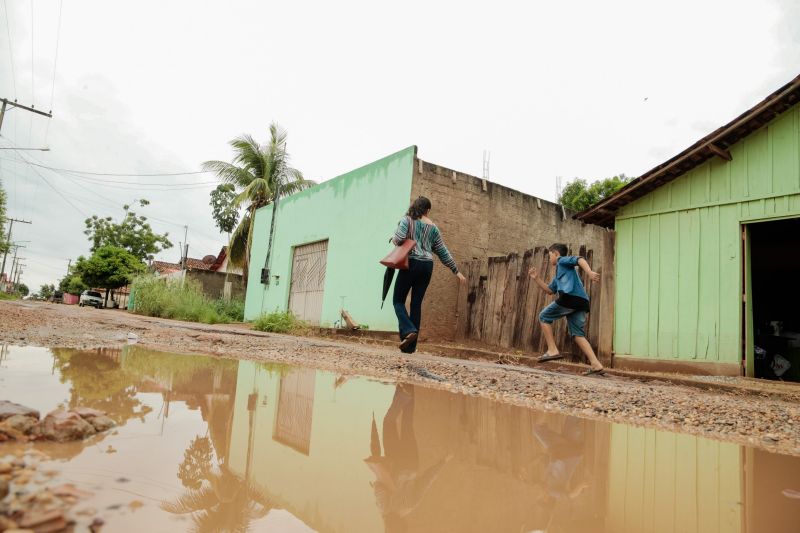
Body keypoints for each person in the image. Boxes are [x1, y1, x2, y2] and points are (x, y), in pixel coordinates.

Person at [391, 196, 465, 353]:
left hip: (410, 263)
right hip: (427, 266)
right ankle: (410, 347)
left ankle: (408, 330)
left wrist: (393, 239)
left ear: (415, 207)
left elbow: (398, 239)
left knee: (398, 300)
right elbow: (442, 251)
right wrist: (455, 270)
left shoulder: (407, 220)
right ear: (428, 210)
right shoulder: (434, 228)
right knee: (416, 304)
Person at [528, 243, 604, 375]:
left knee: (543, 316)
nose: (549, 259)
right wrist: (537, 279)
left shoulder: (561, 261)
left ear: (556, 254)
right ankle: (596, 364)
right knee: (578, 334)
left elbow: (579, 259)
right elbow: (550, 290)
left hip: (570, 298)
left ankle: (552, 350)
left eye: (550, 255)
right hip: (581, 302)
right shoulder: (559, 274)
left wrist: (589, 272)